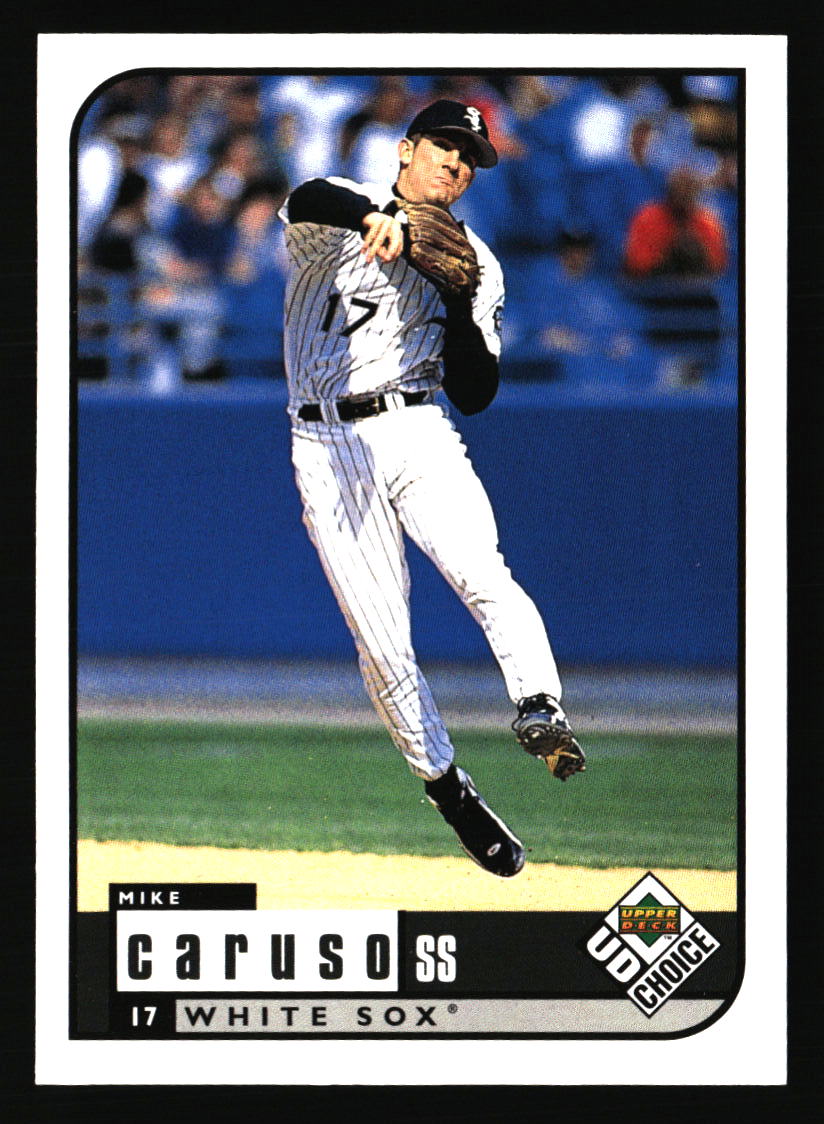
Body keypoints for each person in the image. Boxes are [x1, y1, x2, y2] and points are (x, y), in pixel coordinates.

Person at [278, 100, 585, 879]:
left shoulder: (476, 261)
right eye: (445, 145)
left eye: (469, 157)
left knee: (483, 571)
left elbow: (476, 393)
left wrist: (455, 298)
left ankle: (540, 706)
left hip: (418, 427)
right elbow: (307, 196)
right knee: (382, 643)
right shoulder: (340, 213)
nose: (456, 162)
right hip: (327, 442)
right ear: (406, 149)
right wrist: (376, 217)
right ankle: (448, 789)